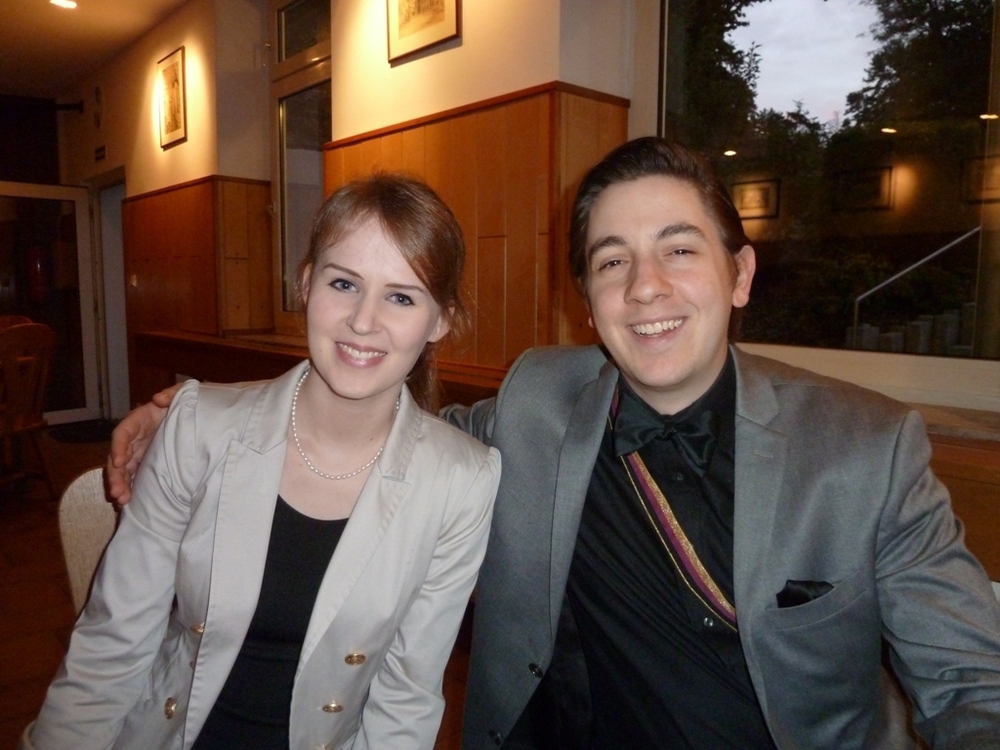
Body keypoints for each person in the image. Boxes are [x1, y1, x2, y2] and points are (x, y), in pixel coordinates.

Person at [108, 139, 1000, 749]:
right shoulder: (540, 398)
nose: (645, 287)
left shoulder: (867, 449)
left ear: (739, 274)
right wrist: (192, 403)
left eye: (679, 250)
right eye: (613, 260)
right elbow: (386, 428)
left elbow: (974, 684)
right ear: (586, 300)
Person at [28, 174, 501, 750]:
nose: (363, 320)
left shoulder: (462, 482)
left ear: (441, 320)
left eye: (401, 297)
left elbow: (407, 697)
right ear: (306, 284)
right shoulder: (199, 430)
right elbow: (112, 643)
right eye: (344, 283)